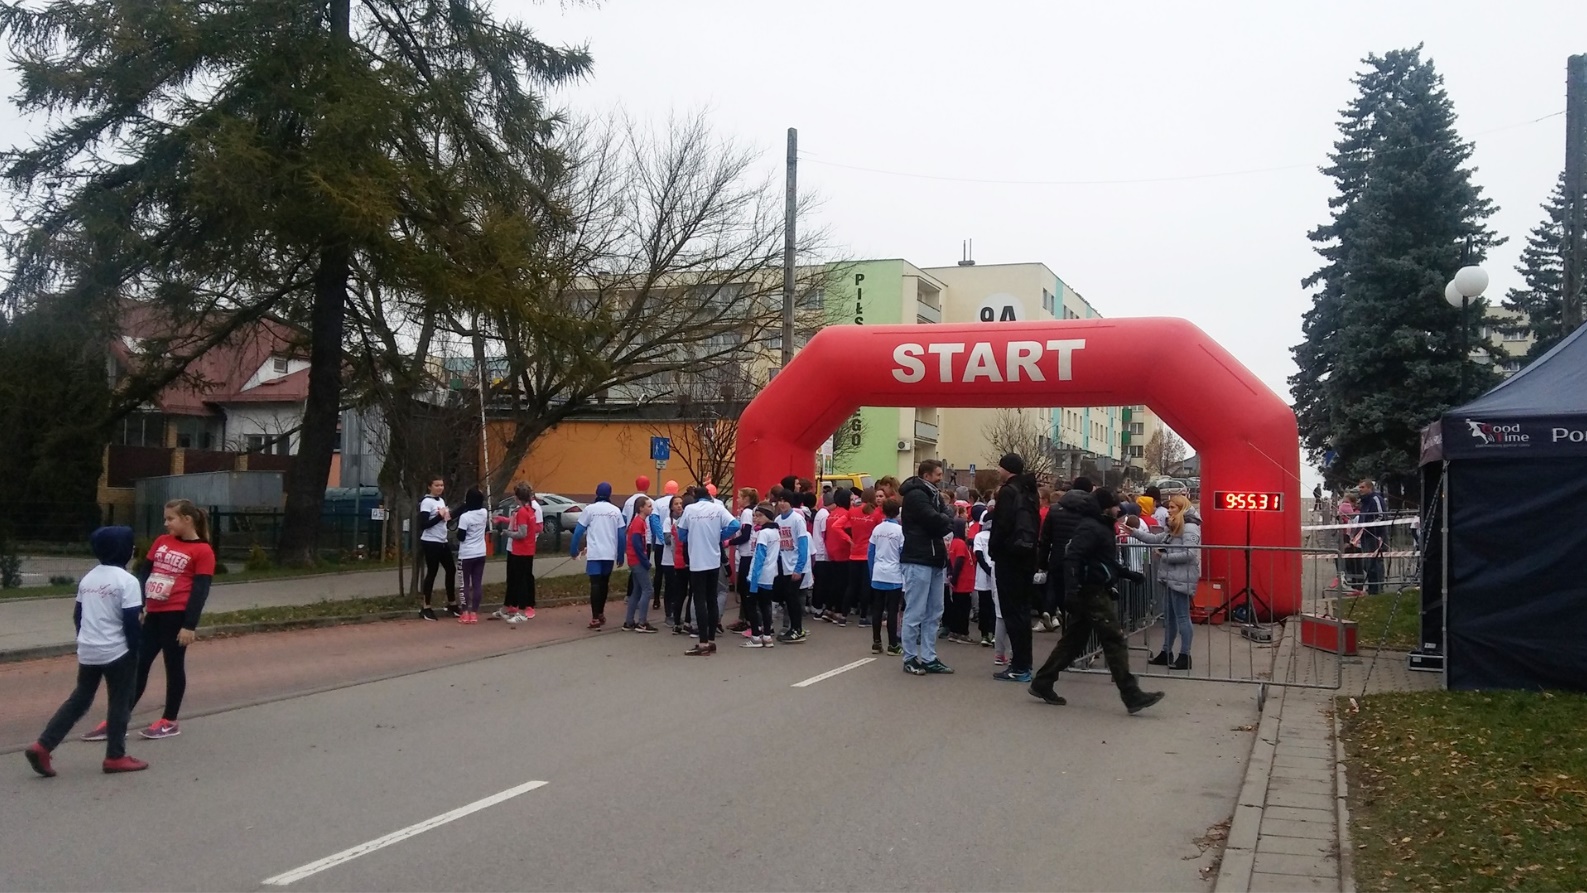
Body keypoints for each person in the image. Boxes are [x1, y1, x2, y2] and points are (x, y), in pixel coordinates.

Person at [1029, 488, 1165, 714]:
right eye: (1114, 505)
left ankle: (1043, 681)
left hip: (1091, 589)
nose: (1118, 509)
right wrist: (1071, 591)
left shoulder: (1098, 526)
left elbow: (1102, 560)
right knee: (1114, 639)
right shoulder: (1092, 527)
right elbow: (1072, 556)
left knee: (1073, 641)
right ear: (1104, 507)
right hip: (1090, 592)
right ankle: (1131, 694)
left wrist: (1126, 574)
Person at [26, 526, 149, 776]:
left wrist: (85, 639)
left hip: (89, 649)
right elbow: (131, 622)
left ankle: (43, 744)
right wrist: (135, 649)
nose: (133, 549)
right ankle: (115, 756)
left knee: (80, 699)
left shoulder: (89, 578)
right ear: (123, 549)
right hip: (117, 651)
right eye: (130, 545)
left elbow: (78, 615)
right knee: (120, 701)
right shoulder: (128, 581)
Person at [118, 499, 215, 741]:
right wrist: (139, 604)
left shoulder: (202, 551)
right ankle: (119, 716)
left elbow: (200, 590)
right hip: (154, 614)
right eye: (165, 518)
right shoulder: (162, 542)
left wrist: (189, 625)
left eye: (170, 518)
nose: (166, 523)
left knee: (173, 666)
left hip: (177, 615)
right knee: (138, 664)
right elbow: (145, 572)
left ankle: (169, 720)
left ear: (187, 520)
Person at [1127, 494, 1202, 669]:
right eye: (1168, 507)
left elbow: (1190, 553)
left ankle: (1185, 655)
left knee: (1182, 617)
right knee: (1170, 617)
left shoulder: (1189, 527)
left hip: (1181, 577)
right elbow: (1156, 539)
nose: (1168, 511)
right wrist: (1135, 532)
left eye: (1172, 508)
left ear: (1181, 508)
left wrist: (1165, 556)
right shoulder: (1175, 524)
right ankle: (1166, 652)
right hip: (1171, 576)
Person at [899, 459, 956, 676]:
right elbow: (936, 520)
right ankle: (910, 657)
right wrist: (945, 519)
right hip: (918, 558)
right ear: (926, 475)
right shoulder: (916, 496)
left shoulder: (932, 495)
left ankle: (930, 657)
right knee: (915, 611)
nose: (941, 478)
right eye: (938, 474)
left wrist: (944, 518)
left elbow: (945, 517)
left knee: (934, 611)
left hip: (934, 557)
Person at [988, 453, 1040, 683]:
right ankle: (1024, 663)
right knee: (1022, 612)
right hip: (1027, 555)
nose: (998, 471)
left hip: (1009, 556)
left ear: (1006, 469)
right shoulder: (1030, 491)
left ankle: (1019, 666)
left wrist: (994, 549)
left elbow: (1002, 525)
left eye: (1000, 467)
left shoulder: (1008, 492)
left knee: (1011, 613)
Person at [677, 486, 741, 655]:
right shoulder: (718, 508)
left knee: (700, 600)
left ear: (695, 498)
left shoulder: (690, 509)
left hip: (697, 561)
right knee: (712, 599)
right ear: (709, 497)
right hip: (713, 560)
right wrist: (720, 535)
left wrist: (691, 536)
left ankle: (703, 642)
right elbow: (735, 524)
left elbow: (681, 533)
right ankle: (711, 640)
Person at [1036, 476, 1091, 633]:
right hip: (1081, 560)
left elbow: (1045, 539)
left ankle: (1057, 617)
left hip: (1058, 557)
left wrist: (1042, 563)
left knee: (1059, 592)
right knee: (1078, 597)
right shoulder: (1089, 511)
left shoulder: (1055, 510)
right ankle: (1072, 632)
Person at [570, 482, 625, 630]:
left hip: (594, 553)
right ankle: (600, 612)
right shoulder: (615, 511)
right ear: (610, 494)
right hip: (609, 553)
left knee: (594, 583)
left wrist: (573, 549)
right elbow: (621, 534)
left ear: (596, 492)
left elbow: (578, 531)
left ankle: (595, 617)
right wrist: (621, 554)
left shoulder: (590, 510)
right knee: (604, 583)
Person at [499, 482, 542, 623]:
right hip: (527, 549)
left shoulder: (523, 512)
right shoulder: (529, 510)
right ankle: (519, 609)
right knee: (520, 579)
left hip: (521, 550)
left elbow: (522, 533)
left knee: (521, 580)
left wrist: (507, 533)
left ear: (518, 497)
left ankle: (522, 611)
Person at [773, 488, 812, 644]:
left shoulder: (797, 519)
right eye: (780, 501)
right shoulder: (777, 521)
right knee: (786, 598)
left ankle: (797, 629)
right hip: (782, 565)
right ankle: (791, 628)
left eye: (785, 501)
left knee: (793, 597)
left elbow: (803, 544)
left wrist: (799, 568)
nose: (782, 504)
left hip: (795, 565)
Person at [868, 497, 905, 657]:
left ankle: (876, 642)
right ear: (897, 513)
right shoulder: (900, 531)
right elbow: (903, 554)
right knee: (892, 610)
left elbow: (870, 552)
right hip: (894, 574)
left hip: (878, 572)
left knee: (877, 609)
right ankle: (893, 644)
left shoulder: (877, 529)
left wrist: (872, 572)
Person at [418, 476, 456, 619]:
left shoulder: (441, 501)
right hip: (430, 541)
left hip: (442, 540)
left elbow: (445, 519)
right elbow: (424, 524)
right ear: (430, 486)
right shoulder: (426, 502)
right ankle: (426, 606)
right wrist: (439, 517)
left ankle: (451, 603)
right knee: (432, 572)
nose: (440, 488)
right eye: (437, 485)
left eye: (442, 485)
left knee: (451, 569)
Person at [743, 503, 780, 648]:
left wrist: (753, 580)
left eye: (760, 516)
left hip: (757, 576)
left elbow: (759, 557)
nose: (756, 519)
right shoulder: (776, 532)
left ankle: (756, 637)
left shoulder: (763, 534)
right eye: (755, 516)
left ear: (768, 516)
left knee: (752, 606)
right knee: (766, 606)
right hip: (770, 575)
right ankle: (767, 635)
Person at [622, 496, 659, 632]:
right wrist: (645, 561)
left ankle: (629, 621)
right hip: (637, 561)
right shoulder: (638, 523)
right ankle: (642, 622)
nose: (651, 508)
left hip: (634, 560)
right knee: (648, 589)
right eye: (649, 506)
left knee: (636, 591)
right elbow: (637, 544)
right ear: (641, 508)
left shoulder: (639, 521)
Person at [455, 488, 489, 624]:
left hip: (466, 554)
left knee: (464, 584)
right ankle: (474, 612)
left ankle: (465, 612)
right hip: (480, 552)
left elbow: (461, 537)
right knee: (477, 584)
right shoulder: (484, 513)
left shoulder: (465, 517)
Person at [821, 488, 854, 624]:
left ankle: (829, 608)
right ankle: (839, 610)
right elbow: (849, 531)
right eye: (851, 499)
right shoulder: (847, 515)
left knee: (833, 582)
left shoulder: (831, 514)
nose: (852, 502)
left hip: (831, 550)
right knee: (843, 583)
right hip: (844, 551)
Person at [847, 488, 880, 626]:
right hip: (868, 554)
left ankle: (843, 614)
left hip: (854, 553)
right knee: (866, 586)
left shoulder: (853, 511)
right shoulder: (875, 513)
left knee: (852, 585)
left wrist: (849, 539)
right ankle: (863, 616)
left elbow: (840, 525)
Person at [729, 487, 760, 631]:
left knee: (744, 588)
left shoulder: (747, 513)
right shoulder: (748, 512)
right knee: (744, 588)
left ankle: (749, 621)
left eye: (740, 497)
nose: (737, 499)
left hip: (747, 553)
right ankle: (746, 619)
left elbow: (746, 535)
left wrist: (730, 542)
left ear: (747, 499)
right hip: (746, 553)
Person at [660, 495, 690, 633]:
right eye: (676, 504)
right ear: (671, 507)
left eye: (681, 503)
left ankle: (678, 616)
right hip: (669, 560)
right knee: (671, 588)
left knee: (680, 589)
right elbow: (667, 540)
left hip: (681, 560)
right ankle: (669, 614)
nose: (679, 506)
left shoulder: (686, 520)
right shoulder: (668, 521)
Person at [945, 520, 976, 644]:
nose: (967, 530)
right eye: (965, 528)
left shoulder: (954, 543)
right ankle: (963, 632)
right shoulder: (961, 544)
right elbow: (958, 561)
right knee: (963, 608)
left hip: (961, 582)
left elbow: (950, 561)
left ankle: (954, 631)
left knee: (957, 607)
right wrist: (955, 578)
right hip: (963, 582)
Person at [1356, 479, 1388, 594]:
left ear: (1370, 488)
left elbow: (1380, 516)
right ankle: (1372, 586)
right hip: (1365, 536)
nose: (1360, 490)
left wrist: (1369, 527)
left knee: (1375, 562)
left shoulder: (1376, 499)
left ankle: (1378, 588)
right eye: (1359, 487)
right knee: (1367, 563)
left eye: (1362, 487)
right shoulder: (1364, 502)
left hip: (1375, 535)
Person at [973, 513, 996, 648]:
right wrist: (991, 570)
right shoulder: (997, 536)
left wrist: (986, 569)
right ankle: (993, 633)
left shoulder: (979, 536)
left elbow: (978, 554)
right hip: (995, 571)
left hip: (983, 573)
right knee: (994, 605)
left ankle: (984, 634)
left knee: (984, 605)